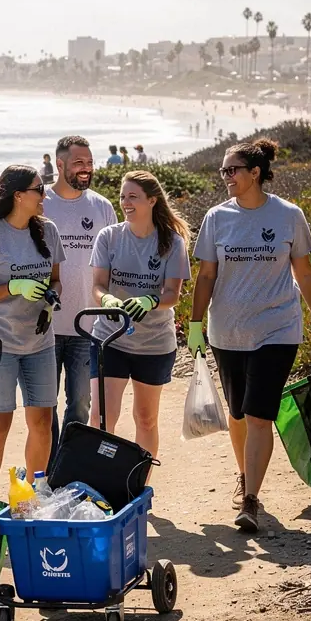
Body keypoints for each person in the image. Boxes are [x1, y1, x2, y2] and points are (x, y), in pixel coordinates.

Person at [189, 138, 311, 533]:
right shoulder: (217, 217)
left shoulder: (288, 215)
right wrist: (196, 324)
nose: (227, 177)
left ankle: (250, 498)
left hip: (277, 327)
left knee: (257, 414)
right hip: (227, 331)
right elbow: (207, 276)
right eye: (223, 171)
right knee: (236, 414)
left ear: (256, 173)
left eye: (233, 170)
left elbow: (303, 272)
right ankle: (245, 477)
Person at [0, 165, 65, 490]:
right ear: (18, 196)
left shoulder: (48, 231)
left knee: (43, 421)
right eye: (39, 188)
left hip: (39, 343)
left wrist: (50, 301)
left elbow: (57, 281)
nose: (45, 194)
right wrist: (13, 287)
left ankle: (36, 493)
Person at [90, 171, 191, 460]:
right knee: (101, 417)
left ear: (152, 200)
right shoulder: (109, 237)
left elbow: (172, 294)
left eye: (133, 196)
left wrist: (150, 300)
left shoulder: (172, 242)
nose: (125, 202)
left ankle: (139, 486)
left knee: (145, 418)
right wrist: (107, 298)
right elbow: (97, 286)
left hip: (154, 344)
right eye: (122, 196)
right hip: (110, 339)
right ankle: (94, 481)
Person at [43, 135, 115, 462]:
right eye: (78, 163)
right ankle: (46, 466)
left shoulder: (102, 207)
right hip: (44, 326)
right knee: (45, 404)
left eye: (89, 162)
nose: (86, 169)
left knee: (82, 403)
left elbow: (114, 261)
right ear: (60, 165)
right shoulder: (39, 202)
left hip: (88, 326)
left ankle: (67, 464)